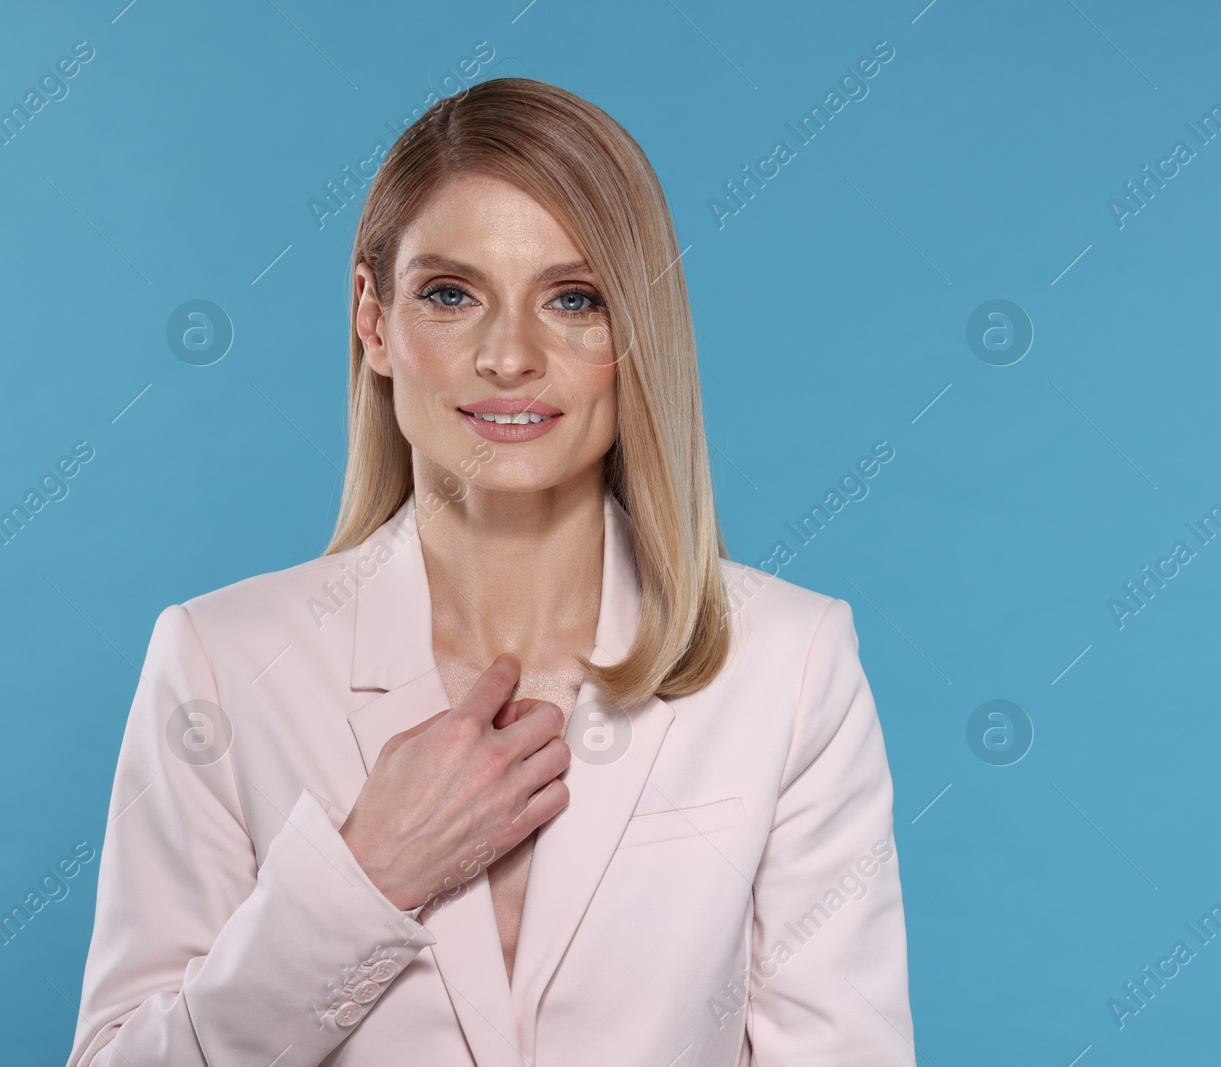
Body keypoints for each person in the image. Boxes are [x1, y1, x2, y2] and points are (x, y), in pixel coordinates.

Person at [66, 77, 914, 1067]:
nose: (510, 355)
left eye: (574, 298)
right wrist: (361, 879)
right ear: (372, 320)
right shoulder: (218, 659)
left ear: (635, 330)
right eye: (451, 293)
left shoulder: (789, 660)